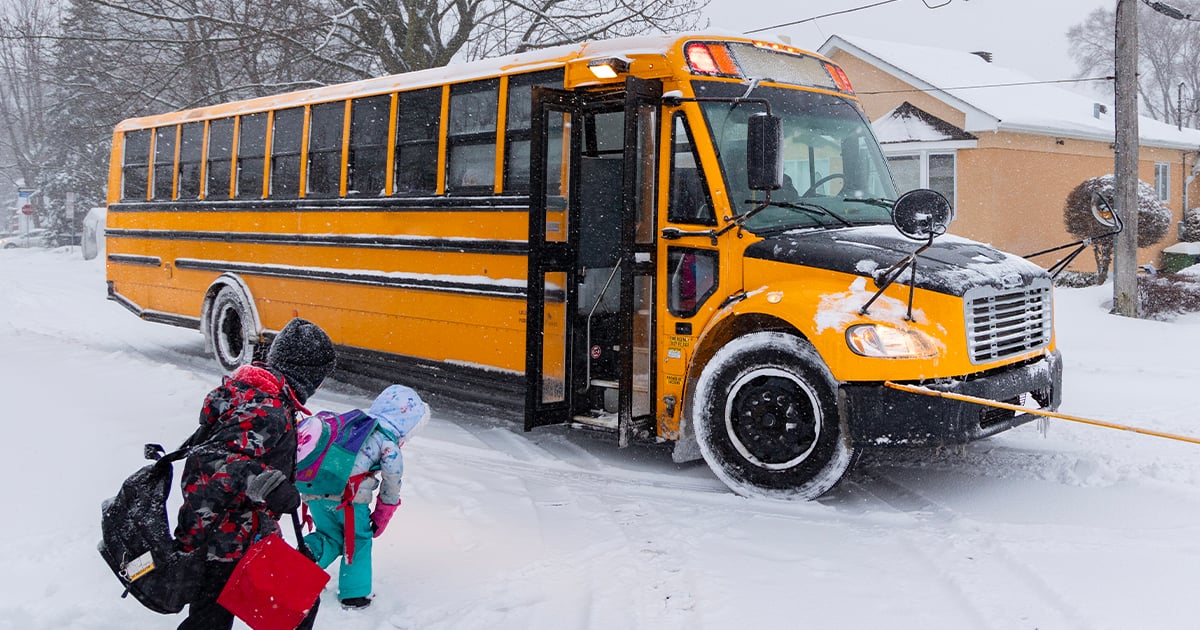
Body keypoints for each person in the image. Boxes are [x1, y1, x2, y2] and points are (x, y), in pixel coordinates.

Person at [175, 318, 337, 630]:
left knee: (281, 607)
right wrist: (271, 485)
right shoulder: (268, 409)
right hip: (226, 538)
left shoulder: (250, 393)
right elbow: (213, 462)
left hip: (238, 530)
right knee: (293, 607)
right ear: (307, 373)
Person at [302, 384, 430, 610]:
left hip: (316, 491)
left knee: (329, 536)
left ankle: (303, 563)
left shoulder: (353, 424)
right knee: (358, 541)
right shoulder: (387, 441)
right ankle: (355, 594)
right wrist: (382, 516)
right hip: (350, 501)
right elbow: (392, 481)